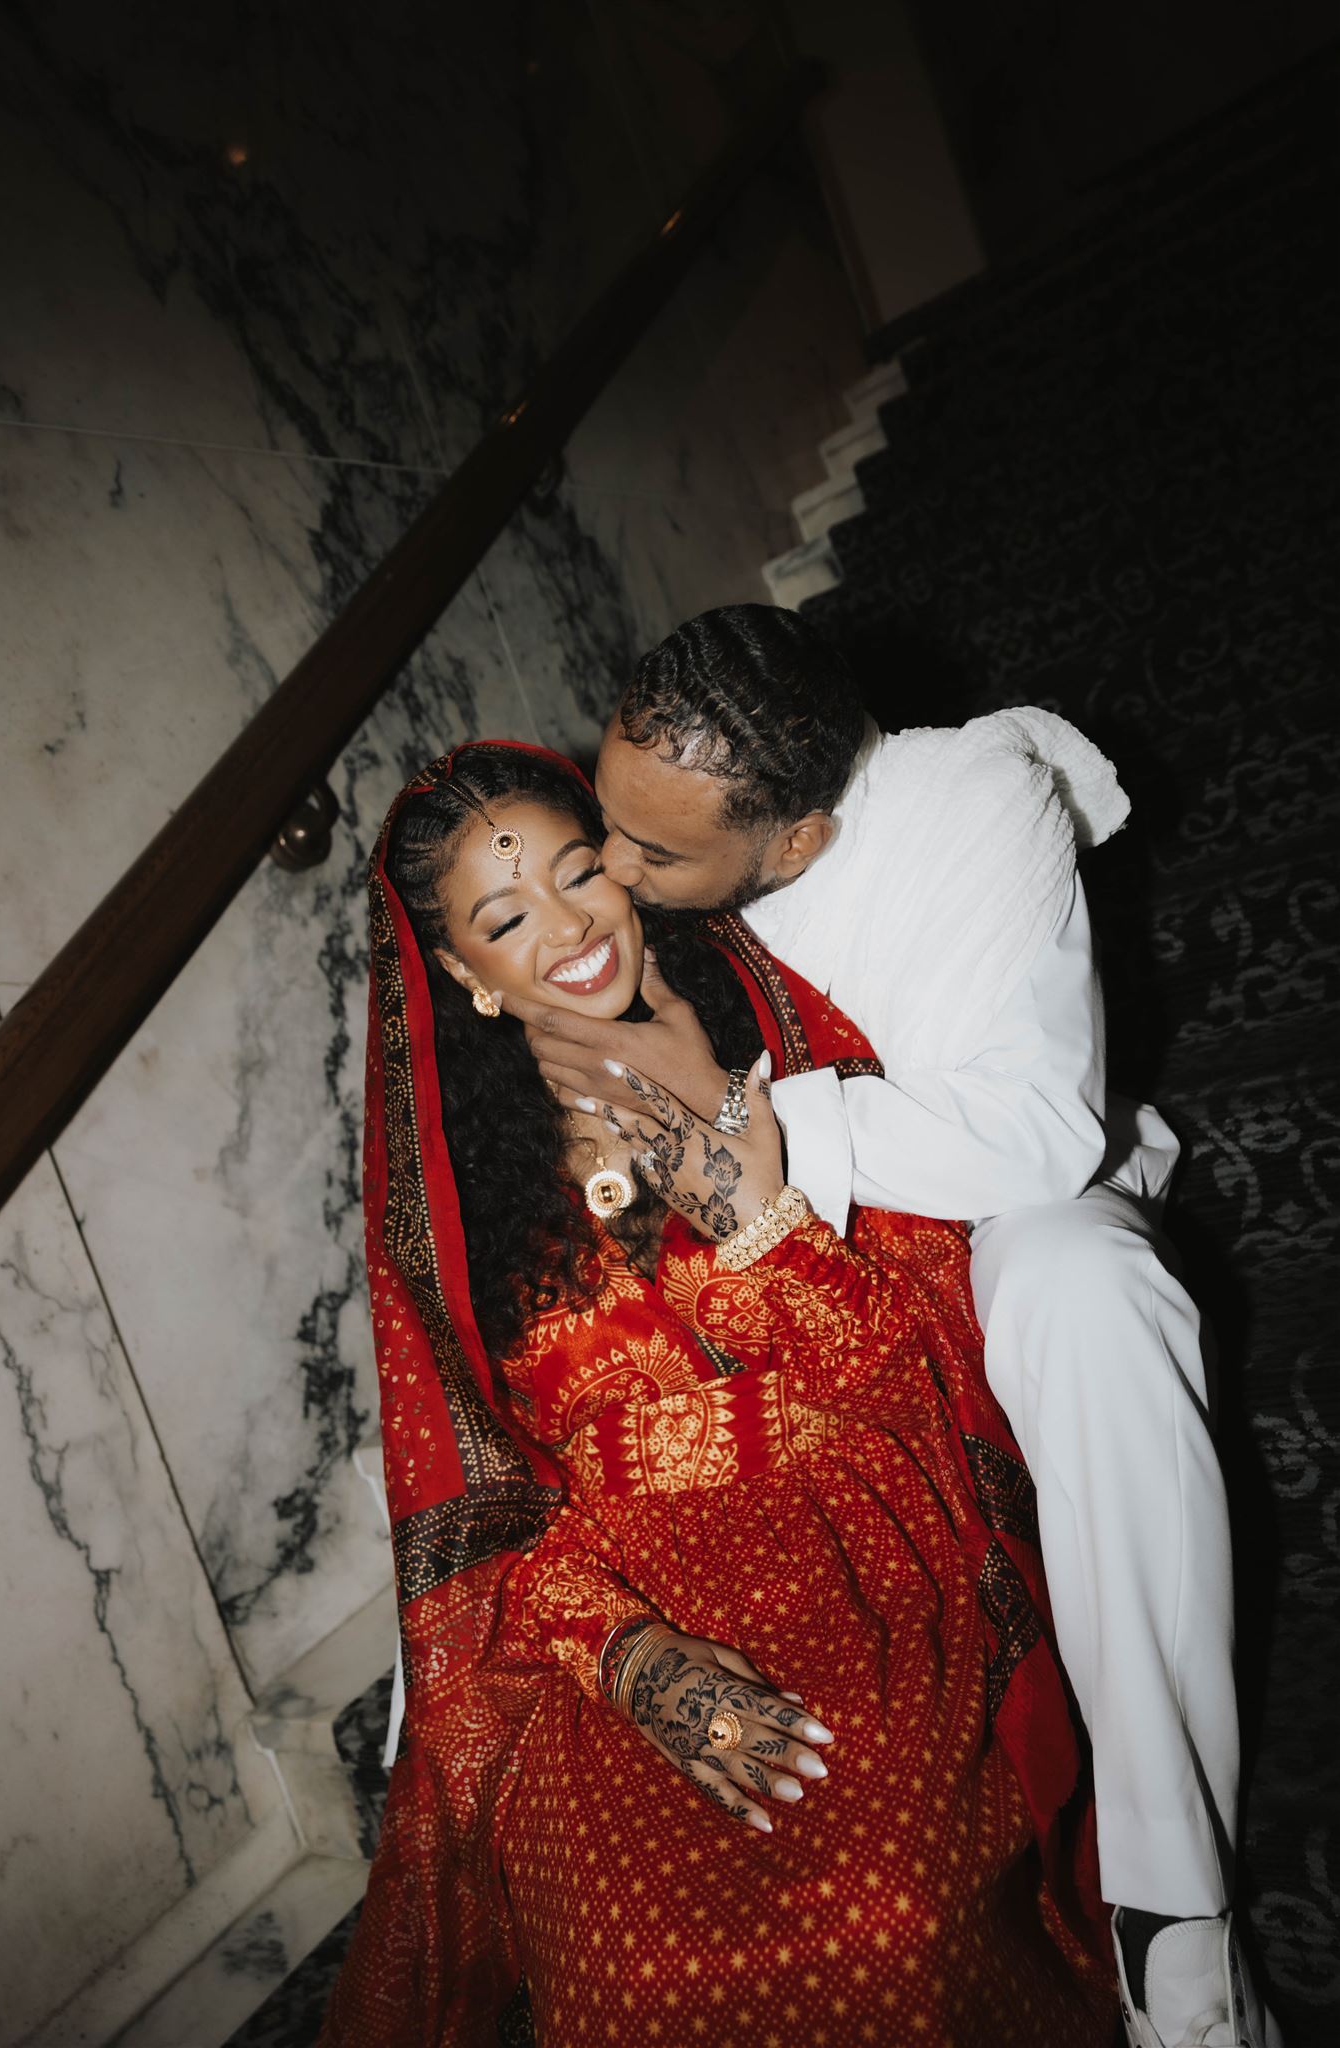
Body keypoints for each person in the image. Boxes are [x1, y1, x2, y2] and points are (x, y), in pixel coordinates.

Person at [501, 606, 1278, 2048]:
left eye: (652, 853)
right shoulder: (622, 899)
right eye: (605, 818)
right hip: (791, 1298)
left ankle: (1173, 1918)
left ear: (794, 843)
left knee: (1091, 1293)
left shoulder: (971, 803)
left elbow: (1036, 1132)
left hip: (988, 1222)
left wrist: (741, 1120)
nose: (609, 871)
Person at [322, 740, 1116, 2047]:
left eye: (582, 873)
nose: (569, 927)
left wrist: (758, 1218)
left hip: (862, 1536)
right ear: (462, 973)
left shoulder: (788, 1055)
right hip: (621, 1609)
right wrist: (638, 1665)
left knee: (886, 1910)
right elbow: (511, 1519)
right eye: (507, 917)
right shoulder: (462, 1222)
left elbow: (924, 1365)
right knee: (621, 1976)